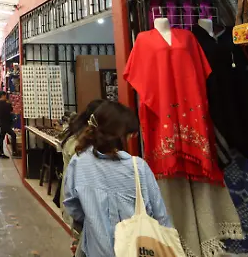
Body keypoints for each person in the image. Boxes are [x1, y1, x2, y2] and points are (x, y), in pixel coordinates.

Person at [63, 100, 171, 257]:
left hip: (95, 250)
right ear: (119, 135)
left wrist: (94, 221)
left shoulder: (79, 163)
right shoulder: (138, 167)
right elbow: (159, 215)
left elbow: (73, 207)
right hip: (136, 249)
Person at [0, 91, 16, 159]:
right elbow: (11, 110)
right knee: (13, 134)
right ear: (3, 96)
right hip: (5, 123)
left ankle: (1, 153)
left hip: (1, 122)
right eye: (5, 95)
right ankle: (14, 151)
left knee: (1, 137)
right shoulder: (6, 104)